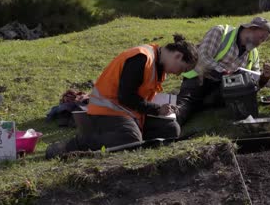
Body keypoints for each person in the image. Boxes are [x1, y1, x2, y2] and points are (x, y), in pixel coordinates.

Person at [46, 35, 198, 159]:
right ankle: (70, 146)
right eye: (182, 69)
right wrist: (157, 110)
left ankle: (124, 138)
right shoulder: (142, 58)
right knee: (130, 138)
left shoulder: (158, 67)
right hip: (107, 111)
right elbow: (126, 97)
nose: (178, 74)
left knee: (171, 129)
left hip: (130, 114)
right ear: (177, 56)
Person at [176, 17, 270, 125]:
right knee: (184, 106)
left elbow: (252, 84)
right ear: (252, 28)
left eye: (264, 40)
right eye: (261, 37)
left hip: (223, 90)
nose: (260, 42)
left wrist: (265, 77)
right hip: (199, 78)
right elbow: (202, 57)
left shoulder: (254, 53)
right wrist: (224, 72)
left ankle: (204, 104)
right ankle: (168, 125)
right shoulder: (220, 32)